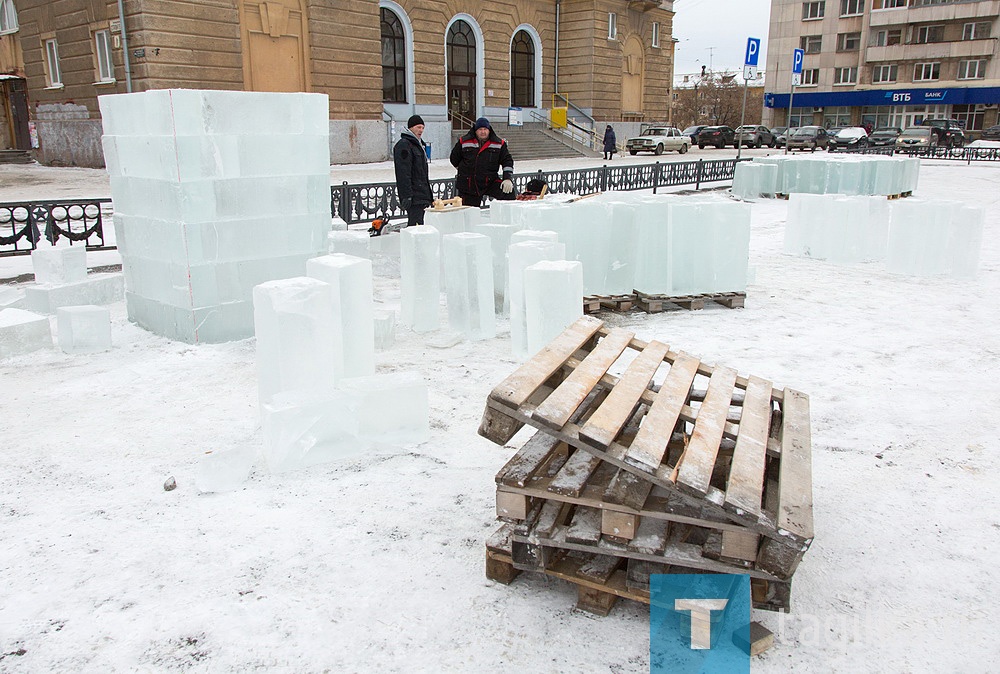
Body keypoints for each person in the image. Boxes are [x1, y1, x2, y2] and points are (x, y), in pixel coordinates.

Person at [449, 117, 515, 207]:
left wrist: (507, 178)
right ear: (475, 130)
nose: (483, 132)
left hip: (490, 181)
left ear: (489, 130)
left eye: (485, 129)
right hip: (469, 185)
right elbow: (454, 158)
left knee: (509, 193)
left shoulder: (499, 143)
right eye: (480, 129)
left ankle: (508, 219)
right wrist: (464, 170)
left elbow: (507, 160)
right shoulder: (464, 141)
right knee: (470, 213)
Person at [393, 114, 434, 227]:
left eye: (422, 128)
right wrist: (407, 196)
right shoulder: (404, 145)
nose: (421, 130)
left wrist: (428, 196)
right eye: (418, 127)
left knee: (419, 226)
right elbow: (403, 173)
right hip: (414, 196)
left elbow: (422, 173)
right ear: (411, 128)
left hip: (421, 194)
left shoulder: (418, 144)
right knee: (415, 227)